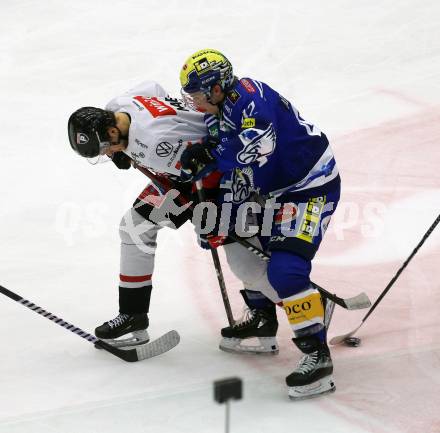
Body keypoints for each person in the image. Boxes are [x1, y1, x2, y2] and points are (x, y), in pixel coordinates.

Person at [67, 80, 281, 352]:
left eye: (106, 148)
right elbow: (153, 88)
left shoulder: (155, 146)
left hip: (219, 175)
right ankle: (133, 315)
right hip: (188, 168)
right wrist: (132, 146)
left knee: (244, 258)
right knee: (135, 226)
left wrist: (208, 216)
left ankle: (303, 307)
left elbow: (198, 178)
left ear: (111, 130)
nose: (108, 153)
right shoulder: (118, 107)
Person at [179, 48, 341, 400]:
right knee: (242, 248)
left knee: (286, 271)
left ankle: (317, 355)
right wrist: (218, 215)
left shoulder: (252, 100)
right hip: (269, 189)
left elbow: (258, 148)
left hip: (308, 187)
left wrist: (213, 156)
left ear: (216, 88)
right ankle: (263, 319)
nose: (192, 101)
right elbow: (229, 166)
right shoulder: (215, 112)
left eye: (195, 94)